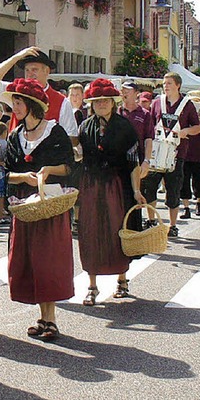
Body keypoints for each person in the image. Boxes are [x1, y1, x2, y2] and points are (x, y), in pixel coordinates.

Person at [2, 79, 74, 339]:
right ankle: (42, 319)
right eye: (14, 103)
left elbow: (69, 168)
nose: (15, 107)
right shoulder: (14, 136)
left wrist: (47, 172)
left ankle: (51, 319)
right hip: (25, 206)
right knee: (31, 260)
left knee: (48, 260)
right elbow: (5, 174)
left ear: (32, 105)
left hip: (50, 202)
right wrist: (23, 178)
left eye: (19, 102)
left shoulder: (55, 133)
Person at [77, 79, 146, 305]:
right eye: (97, 101)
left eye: (105, 101)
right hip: (91, 186)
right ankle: (92, 286)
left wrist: (136, 191)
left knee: (117, 230)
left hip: (116, 186)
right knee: (90, 234)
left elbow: (133, 162)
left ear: (113, 102)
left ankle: (122, 280)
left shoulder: (125, 127)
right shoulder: (85, 127)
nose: (101, 105)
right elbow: (81, 156)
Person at [142, 72, 200, 237]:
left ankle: (173, 225)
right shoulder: (157, 103)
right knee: (150, 188)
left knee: (173, 190)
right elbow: (150, 124)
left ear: (178, 85)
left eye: (169, 83)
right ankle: (151, 220)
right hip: (156, 152)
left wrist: (185, 131)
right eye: (164, 83)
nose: (165, 86)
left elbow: (197, 127)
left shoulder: (187, 105)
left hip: (176, 154)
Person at [0, 47, 78, 144]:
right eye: (27, 70)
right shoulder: (16, 92)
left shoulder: (62, 102)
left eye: (34, 69)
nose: (30, 74)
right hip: (17, 154)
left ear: (46, 71)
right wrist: (16, 57)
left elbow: (71, 138)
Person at [180, 97, 200, 219]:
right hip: (185, 153)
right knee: (184, 181)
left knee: (199, 182)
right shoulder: (183, 115)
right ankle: (186, 207)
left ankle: (199, 203)